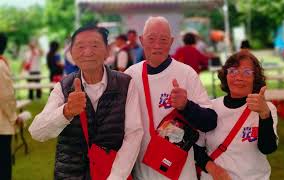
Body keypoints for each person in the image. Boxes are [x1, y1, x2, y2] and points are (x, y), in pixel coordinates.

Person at [29, 25, 144, 179]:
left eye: (95, 45)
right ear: (71, 52)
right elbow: (37, 132)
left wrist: (115, 177)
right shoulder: (63, 87)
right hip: (71, 173)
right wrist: (66, 111)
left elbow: (134, 134)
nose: (88, 52)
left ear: (108, 50)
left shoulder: (125, 84)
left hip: (112, 173)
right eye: (80, 46)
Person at [125, 16, 217, 180]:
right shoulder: (130, 75)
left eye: (163, 39)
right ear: (141, 40)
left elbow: (210, 121)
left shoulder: (186, 73)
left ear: (172, 41)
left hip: (180, 173)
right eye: (151, 39)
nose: (157, 45)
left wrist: (186, 106)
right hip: (142, 172)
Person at [194, 50, 278, 180]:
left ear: (255, 78)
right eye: (233, 71)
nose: (239, 77)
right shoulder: (210, 107)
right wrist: (216, 171)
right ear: (225, 75)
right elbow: (197, 150)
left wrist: (264, 115)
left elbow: (267, 148)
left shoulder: (267, 109)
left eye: (246, 72)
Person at [0, 32, 18, 180]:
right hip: (1, 124)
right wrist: (13, 117)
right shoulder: (0, 66)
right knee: (3, 164)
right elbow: (6, 97)